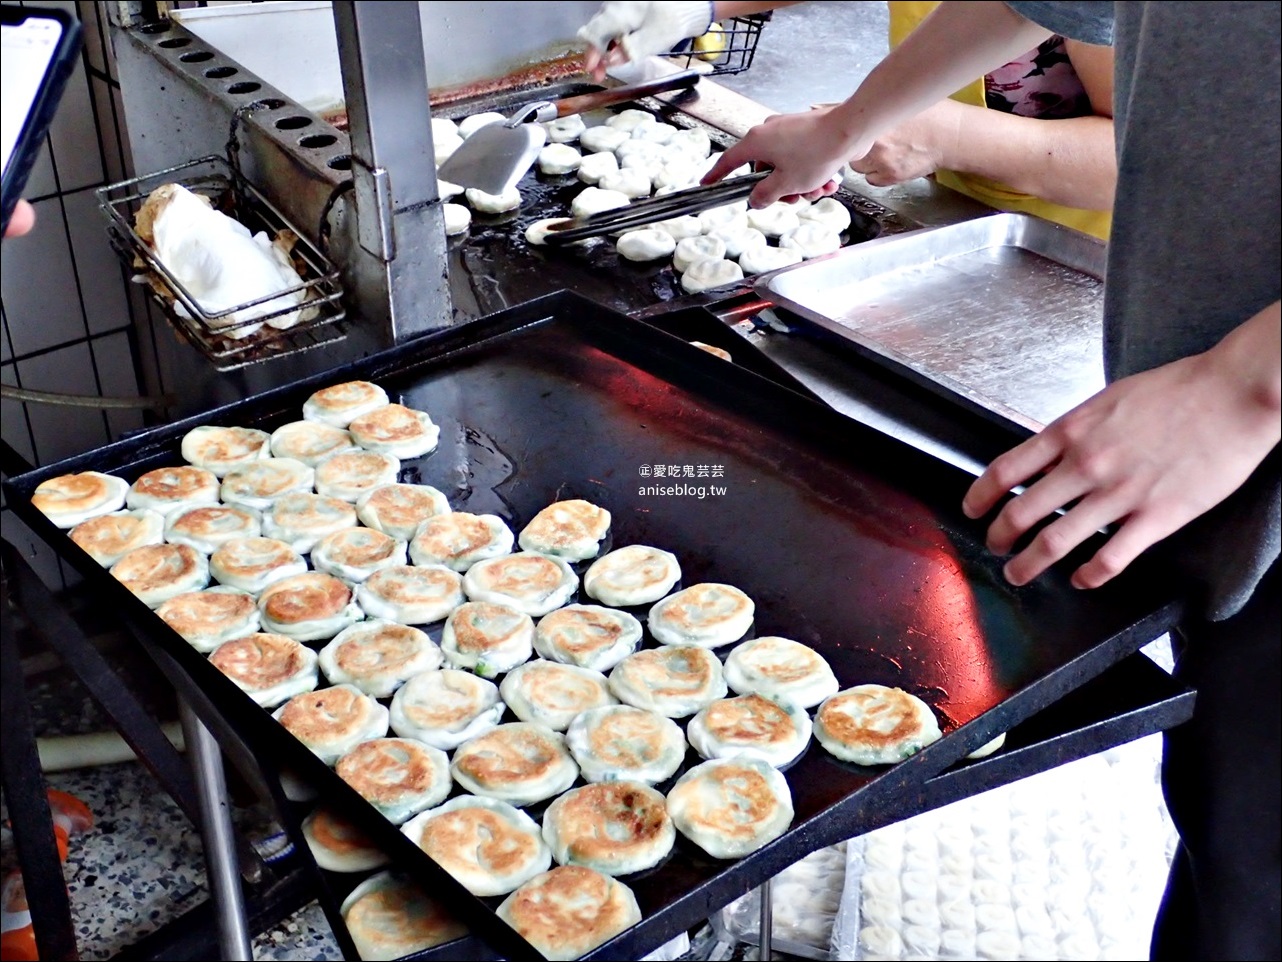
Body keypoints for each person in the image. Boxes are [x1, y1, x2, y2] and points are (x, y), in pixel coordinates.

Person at [702, 2, 1279, 958]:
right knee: (1229, 825)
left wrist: (1247, 384)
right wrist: (849, 126)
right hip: (1207, 453)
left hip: (1238, 415)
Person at [577, 0, 1116, 238]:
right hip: (959, 216)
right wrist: (703, 5)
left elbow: (1140, 164)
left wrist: (942, 134)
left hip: (1085, 264)